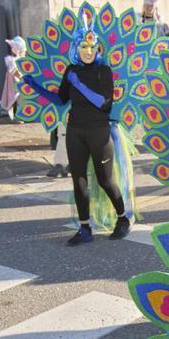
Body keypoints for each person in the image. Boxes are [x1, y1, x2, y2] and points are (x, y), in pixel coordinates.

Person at [58, 22, 130, 244]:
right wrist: (33, 85)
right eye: (83, 47)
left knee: (105, 179)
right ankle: (85, 228)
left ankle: (122, 219)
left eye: (92, 47)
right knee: (78, 180)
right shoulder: (71, 71)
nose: (88, 52)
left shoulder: (103, 71)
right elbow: (61, 99)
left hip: (99, 131)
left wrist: (78, 84)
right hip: (75, 131)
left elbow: (105, 104)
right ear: (76, 48)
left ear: (98, 48)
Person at [0, 36, 26, 120]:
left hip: (19, 83)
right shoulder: (12, 60)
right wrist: (22, 78)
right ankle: (17, 116)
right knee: (16, 99)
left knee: (18, 99)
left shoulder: (18, 59)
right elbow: (15, 72)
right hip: (15, 83)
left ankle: (20, 115)